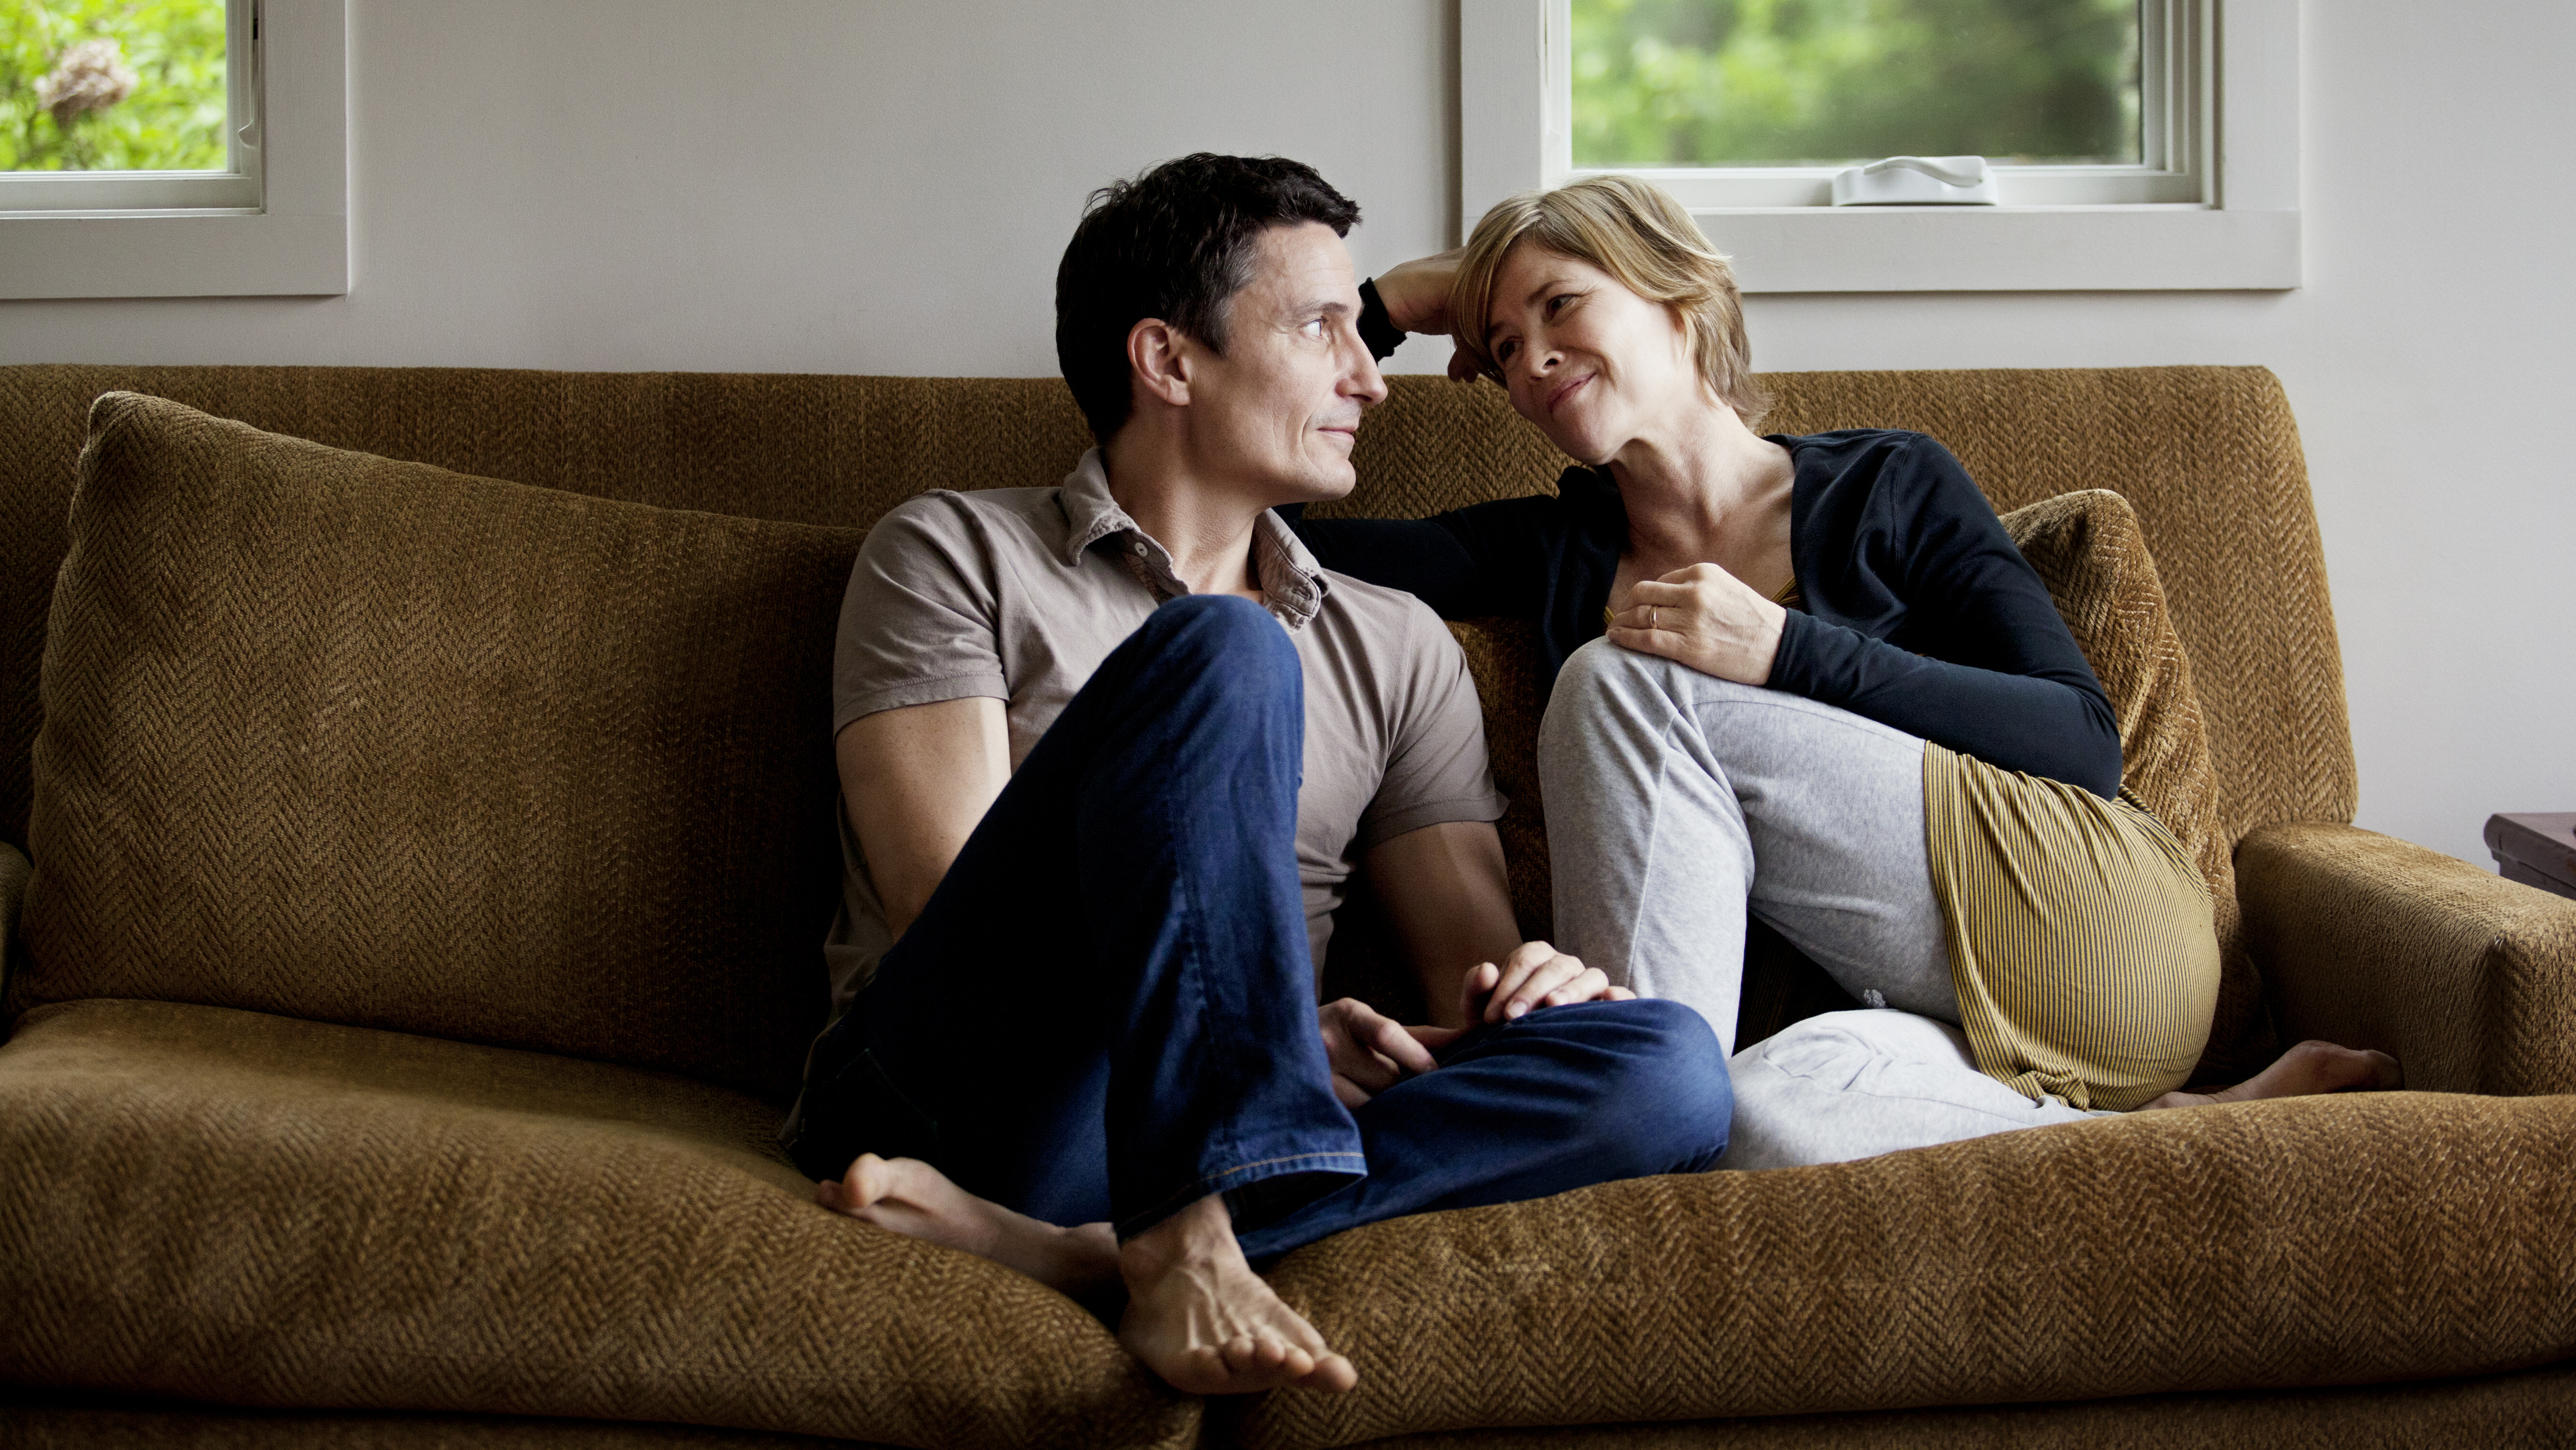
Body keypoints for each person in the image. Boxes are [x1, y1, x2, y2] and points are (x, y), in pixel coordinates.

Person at [783, 153, 1730, 1399]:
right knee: (1226, 651)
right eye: (1321, 328)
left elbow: (1458, 988)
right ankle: (1174, 1239)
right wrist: (1264, 1026)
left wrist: (1529, 992)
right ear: (1170, 361)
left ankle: (1093, 1257)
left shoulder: (1392, 643)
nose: (1368, 379)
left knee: (1668, 1065)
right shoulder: (955, 552)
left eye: (1365, 329)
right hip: (970, 1099)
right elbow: (937, 907)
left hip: (1231, 1136)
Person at [1291, 172, 2399, 1170]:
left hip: (2092, 918)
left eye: (1561, 304)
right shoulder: (1550, 548)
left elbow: (2080, 740)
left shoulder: (1890, 482)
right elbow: (1278, 525)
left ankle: (1609, 1094)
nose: (1530, 358)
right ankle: (2173, 1130)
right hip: (1949, 1023)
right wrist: (1390, 303)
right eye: (1499, 340)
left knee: (1618, 677)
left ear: (1677, 297)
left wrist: (1783, 650)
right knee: (1750, 1118)